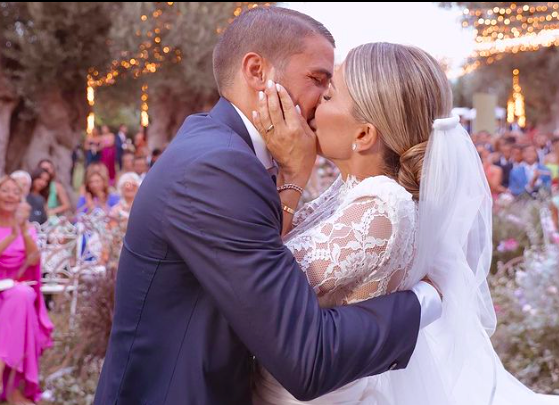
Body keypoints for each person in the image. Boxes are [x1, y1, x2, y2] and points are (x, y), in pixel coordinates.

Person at [95, 8, 441, 405]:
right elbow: (304, 354)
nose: (320, 101)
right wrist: (423, 301)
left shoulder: (221, 149)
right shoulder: (218, 167)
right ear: (257, 72)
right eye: (317, 81)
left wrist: (293, 173)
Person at [252, 42, 559, 404]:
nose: (316, 101)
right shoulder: (353, 189)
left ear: (363, 135)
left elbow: (262, 288)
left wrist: (293, 173)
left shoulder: (381, 207)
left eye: (330, 95)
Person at [0, 175, 53, 404]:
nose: (10, 195)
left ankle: (4, 376)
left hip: (16, 288)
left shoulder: (27, 227)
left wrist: (21, 230)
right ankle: (10, 386)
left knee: (21, 296)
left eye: (15, 191)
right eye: (5, 190)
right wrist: (10, 235)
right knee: (19, 299)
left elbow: (33, 261)